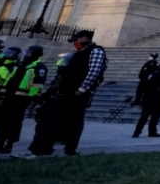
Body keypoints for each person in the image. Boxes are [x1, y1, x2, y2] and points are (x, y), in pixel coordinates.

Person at [26, 29, 106, 158]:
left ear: (84, 38)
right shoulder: (78, 53)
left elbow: (94, 71)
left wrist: (82, 89)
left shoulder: (96, 51)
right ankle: (40, 149)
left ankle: (69, 150)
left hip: (78, 94)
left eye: (76, 40)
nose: (74, 43)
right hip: (64, 92)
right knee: (50, 120)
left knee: (73, 122)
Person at [0, 45, 47, 154]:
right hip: (10, 97)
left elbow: (37, 85)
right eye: (27, 53)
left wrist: (30, 99)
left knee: (14, 123)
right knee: (2, 121)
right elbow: (9, 81)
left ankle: (9, 144)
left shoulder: (39, 67)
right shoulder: (21, 66)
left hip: (21, 99)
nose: (27, 55)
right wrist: (3, 96)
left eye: (29, 53)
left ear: (36, 54)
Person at [133, 60, 160, 138]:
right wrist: (146, 99)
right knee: (144, 117)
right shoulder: (154, 75)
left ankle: (152, 131)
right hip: (150, 100)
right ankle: (137, 132)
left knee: (155, 118)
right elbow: (147, 87)